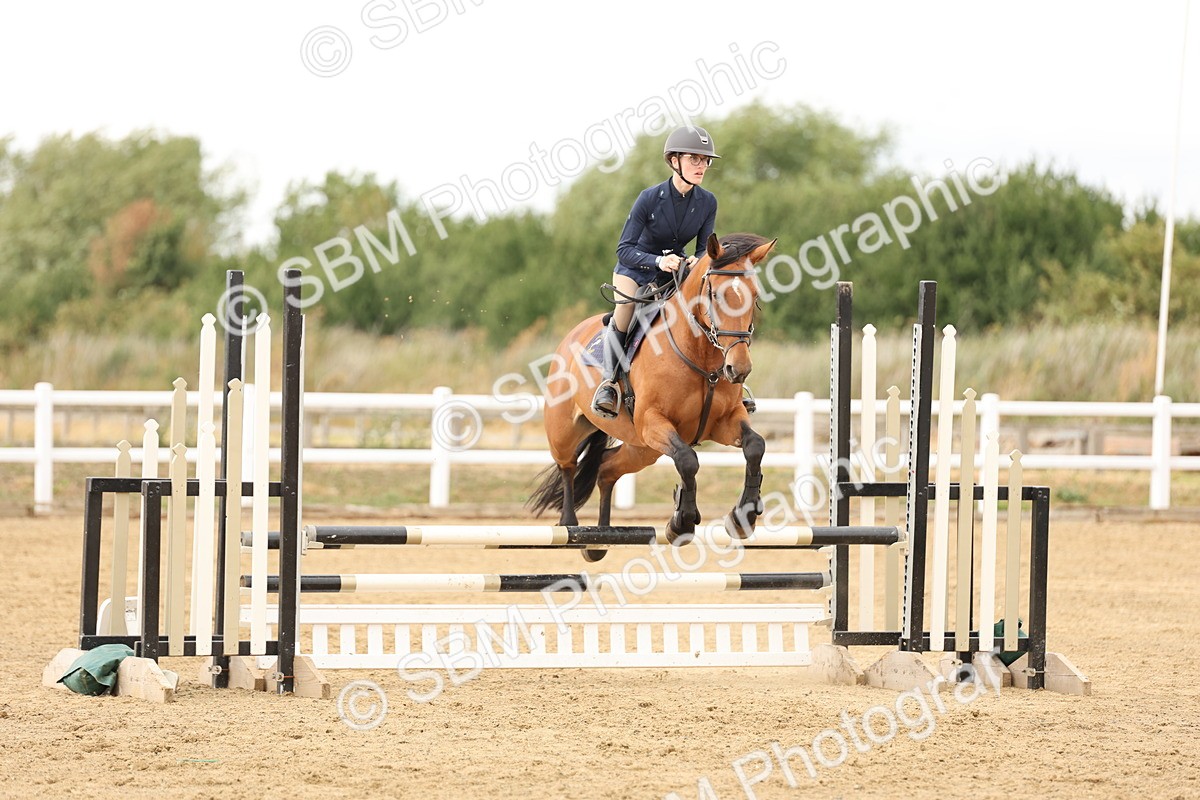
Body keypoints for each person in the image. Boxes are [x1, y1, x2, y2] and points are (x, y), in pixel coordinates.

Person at [591, 125, 719, 418]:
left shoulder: (707, 202)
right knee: (625, 316)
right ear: (675, 161)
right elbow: (624, 248)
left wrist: (694, 262)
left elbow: (703, 249)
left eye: (705, 161)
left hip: (674, 273)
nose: (701, 166)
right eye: (694, 159)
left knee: (709, 308)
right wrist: (659, 261)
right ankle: (608, 384)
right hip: (634, 269)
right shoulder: (649, 198)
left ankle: (725, 381)